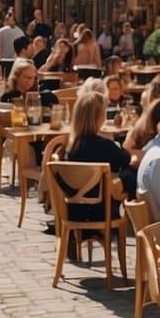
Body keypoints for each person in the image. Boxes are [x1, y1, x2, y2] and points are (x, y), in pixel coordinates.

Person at [63, 92, 134, 222]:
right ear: (98, 117)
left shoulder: (71, 146)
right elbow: (126, 159)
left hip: (74, 210)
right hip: (102, 211)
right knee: (131, 173)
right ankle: (136, 217)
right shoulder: (104, 145)